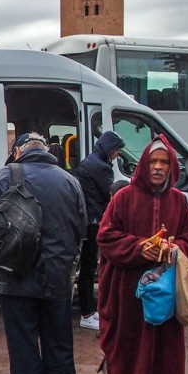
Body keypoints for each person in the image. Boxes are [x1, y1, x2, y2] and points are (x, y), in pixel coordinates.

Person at [0, 132, 87, 374]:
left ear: (18, 152)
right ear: (47, 151)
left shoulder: (4, 178)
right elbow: (81, 226)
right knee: (60, 346)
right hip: (58, 279)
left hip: (15, 277)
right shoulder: (69, 181)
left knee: (23, 347)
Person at [97, 136, 188, 374]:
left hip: (165, 288)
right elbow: (105, 235)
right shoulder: (124, 198)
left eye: (164, 162)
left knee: (169, 343)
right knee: (124, 335)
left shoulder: (179, 201)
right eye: (153, 162)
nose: (158, 168)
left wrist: (174, 248)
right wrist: (137, 247)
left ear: (171, 167)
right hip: (126, 285)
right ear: (144, 164)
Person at [72, 130, 126, 330]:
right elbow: (109, 193)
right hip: (94, 222)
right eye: (117, 150)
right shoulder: (101, 167)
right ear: (109, 148)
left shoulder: (89, 161)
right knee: (88, 268)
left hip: (85, 220)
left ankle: (88, 311)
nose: (117, 154)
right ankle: (87, 313)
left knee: (84, 268)